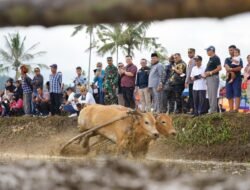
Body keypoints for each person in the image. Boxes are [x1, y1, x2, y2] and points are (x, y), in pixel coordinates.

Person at [224, 45, 243, 112]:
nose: (230, 51)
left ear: (235, 50)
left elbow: (239, 68)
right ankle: (231, 109)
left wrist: (231, 69)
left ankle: (236, 109)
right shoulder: (227, 59)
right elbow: (226, 67)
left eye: (231, 50)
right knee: (229, 93)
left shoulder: (239, 59)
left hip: (237, 78)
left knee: (237, 93)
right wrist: (232, 72)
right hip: (228, 79)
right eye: (229, 50)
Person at [204, 46, 222, 114]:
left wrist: (210, 72)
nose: (207, 52)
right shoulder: (211, 58)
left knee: (213, 94)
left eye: (208, 50)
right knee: (210, 94)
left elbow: (219, 68)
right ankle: (211, 109)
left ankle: (213, 110)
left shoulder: (216, 58)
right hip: (209, 78)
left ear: (212, 50)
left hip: (213, 77)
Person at [185, 48, 196, 114]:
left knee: (192, 96)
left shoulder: (193, 60)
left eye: (190, 53)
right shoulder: (191, 60)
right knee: (191, 96)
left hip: (192, 81)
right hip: (192, 81)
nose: (189, 54)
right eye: (188, 53)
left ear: (194, 53)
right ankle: (192, 109)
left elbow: (189, 72)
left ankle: (193, 110)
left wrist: (186, 81)